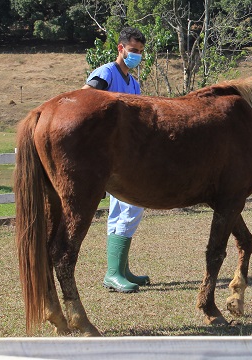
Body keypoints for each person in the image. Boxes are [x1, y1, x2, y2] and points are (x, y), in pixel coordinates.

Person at [82, 27, 150, 293]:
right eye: (133, 51)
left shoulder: (134, 84)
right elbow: (85, 101)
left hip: (127, 156)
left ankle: (120, 269)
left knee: (123, 210)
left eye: (141, 52)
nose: (137, 56)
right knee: (131, 206)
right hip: (108, 157)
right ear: (120, 49)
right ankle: (113, 272)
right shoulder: (106, 74)